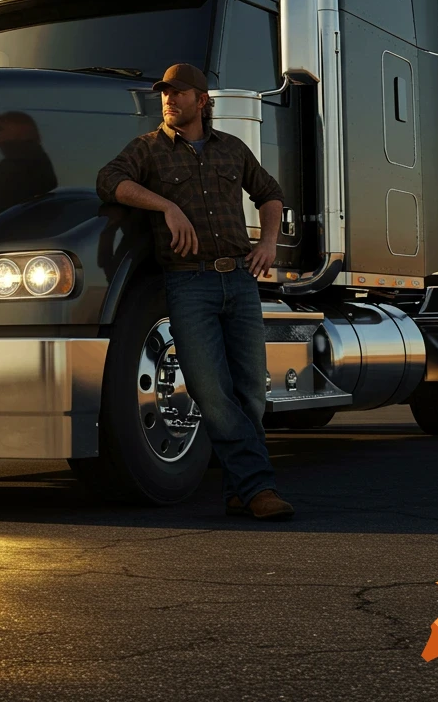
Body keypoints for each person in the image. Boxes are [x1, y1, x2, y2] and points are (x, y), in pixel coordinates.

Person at [96, 62, 294, 520]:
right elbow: (109, 181)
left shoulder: (232, 150)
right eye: (165, 93)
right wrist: (166, 205)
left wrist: (267, 241)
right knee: (211, 393)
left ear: (202, 101)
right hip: (188, 282)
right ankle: (260, 487)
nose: (169, 100)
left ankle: (238, 491)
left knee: (250, 394)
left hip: (240, 280)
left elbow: (270, 192)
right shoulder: (148, 150)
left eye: (179, 93)